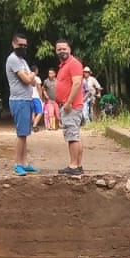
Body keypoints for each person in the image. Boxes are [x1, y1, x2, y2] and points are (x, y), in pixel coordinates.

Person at [4, 31, 40, 175]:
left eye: (25, 45)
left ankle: (24, 163)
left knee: (25, 134)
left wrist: (30, 76)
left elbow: (32, 82)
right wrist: (32, 74)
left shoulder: (22, 61)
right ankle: (18, 164)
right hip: (19, 100)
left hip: (27, 99)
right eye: (20, 45)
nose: (23, 47)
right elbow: (27, 80)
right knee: (21, 134)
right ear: (13, 44)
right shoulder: (13, 59)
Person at [53, 39, 85, 175]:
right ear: (56, 51)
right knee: (74, 135)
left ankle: (73, 166)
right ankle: (78, 164)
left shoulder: (74, 63)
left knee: (72, 136)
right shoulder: (63, 66)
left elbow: (77, 83)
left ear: (69, 49)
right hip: (68, 105)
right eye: (59, 49)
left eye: (64, 49)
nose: (62, 51)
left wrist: (68, 102)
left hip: (71, 106)